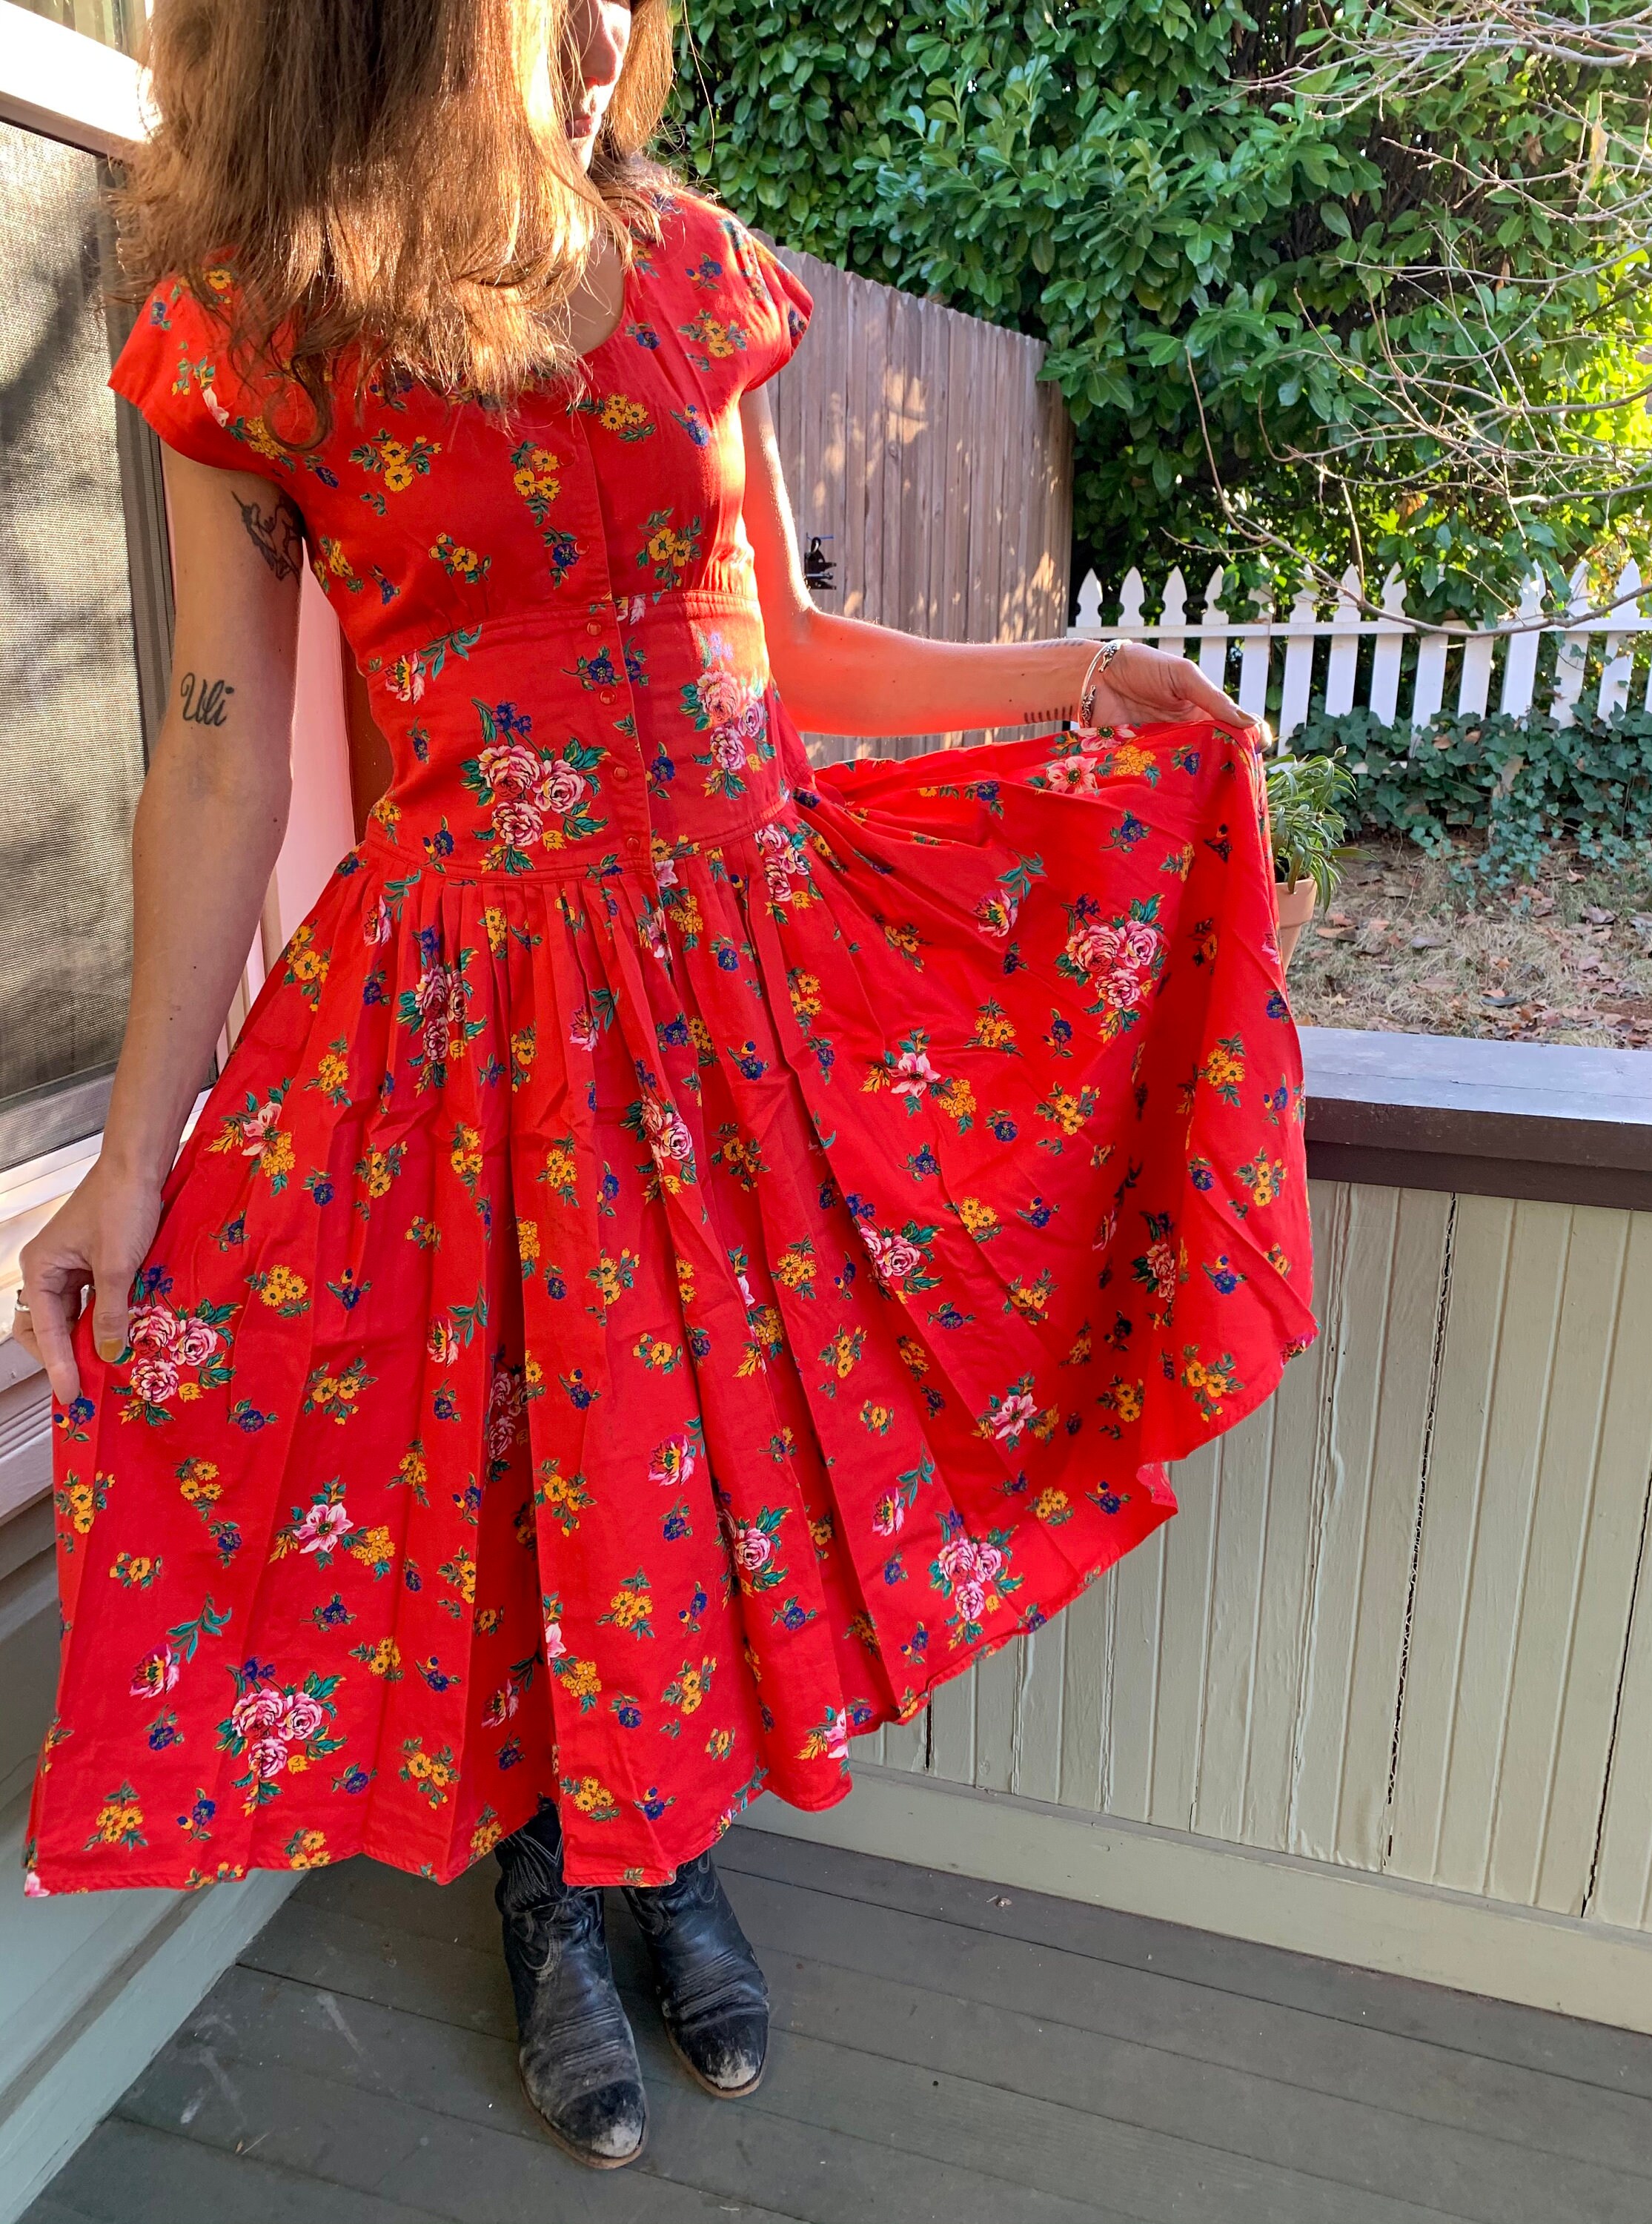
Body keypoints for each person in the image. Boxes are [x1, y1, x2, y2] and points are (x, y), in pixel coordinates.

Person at [14, 0, 1315, 2171]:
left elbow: (781, 654)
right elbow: (218, 755)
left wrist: (1088, 677)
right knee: (519, 1470)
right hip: (463, 1023)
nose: (611, 20)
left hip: (738, 988)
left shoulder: (684, 264)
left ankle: (667, 1850)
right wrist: (128, 1162)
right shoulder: (248, 331)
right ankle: (550, 1889)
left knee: (715, 1456)